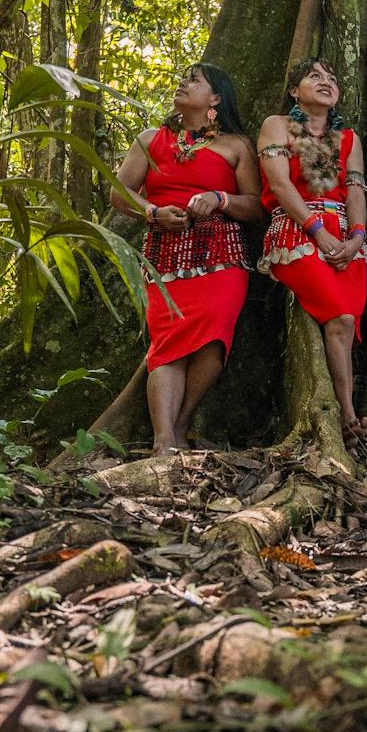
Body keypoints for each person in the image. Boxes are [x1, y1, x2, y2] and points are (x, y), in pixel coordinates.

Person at [112, 64, 262, 454]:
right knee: (168, 344)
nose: (183, 83)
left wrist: (220, 199)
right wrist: (152, 212)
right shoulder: (150, 139)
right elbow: (119, 192)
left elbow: (256, 206)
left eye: (195, 80)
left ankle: (180, 426)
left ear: (215, 99)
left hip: (222, 256)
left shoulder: (235, 146)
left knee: (212, 339)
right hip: (165, 254)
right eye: (184, 78)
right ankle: (163, 443)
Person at [255, 57, 367, 438]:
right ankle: (347, 416)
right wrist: (317, 231)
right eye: (314, 76)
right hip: (296, 232)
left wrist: (356, 237)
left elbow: (355, 190)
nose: (326, 82)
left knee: (348, 324)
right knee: (339, 318)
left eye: (331, 79)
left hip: (345, 240)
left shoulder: (349, 138)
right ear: (294, 91)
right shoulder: (276, 126)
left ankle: (344, 411)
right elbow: (280, 185)